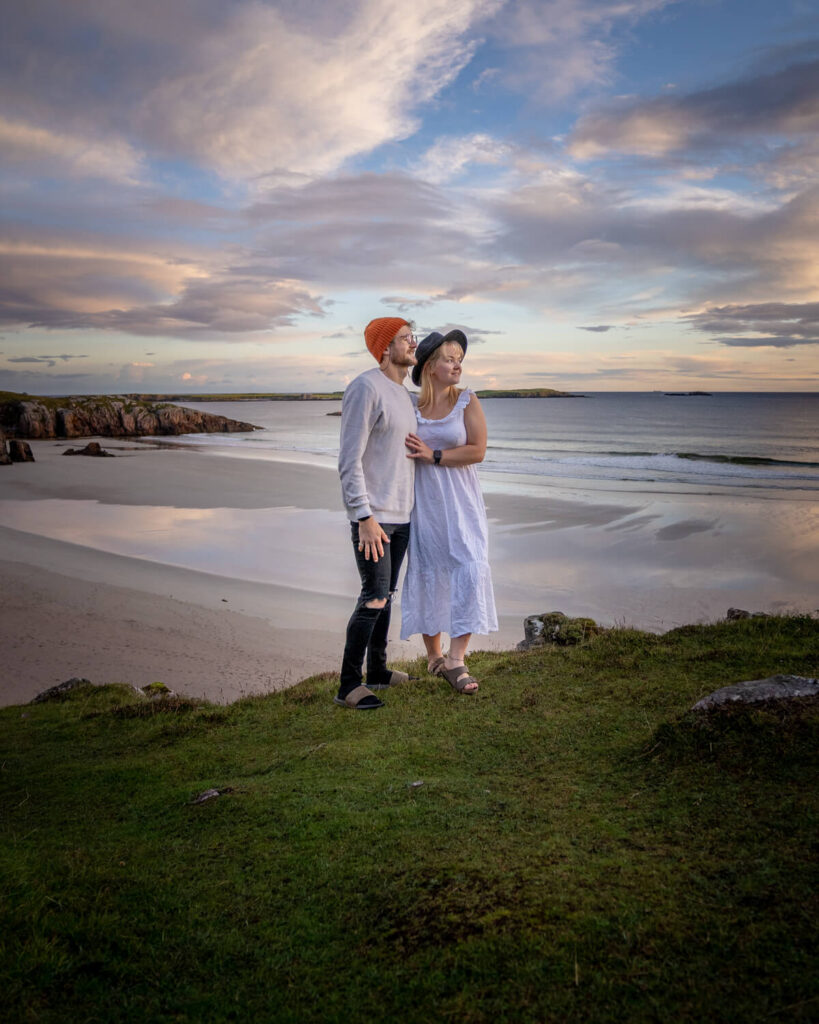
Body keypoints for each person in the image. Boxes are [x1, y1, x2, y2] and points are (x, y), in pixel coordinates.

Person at [401, 329, 497, 693]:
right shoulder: (412, 407)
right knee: (429, 571)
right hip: (424, 502)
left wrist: (434, 455)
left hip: (462, 501)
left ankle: (457, 659)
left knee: (470, 565)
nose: (457, 365)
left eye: (459, 359)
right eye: (449, 359)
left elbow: (477, 451)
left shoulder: (467, 400)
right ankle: (434, 657)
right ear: (429, 367)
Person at [335, 317, 418, 710]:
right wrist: (363, 517)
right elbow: (348, 461)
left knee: (387, 595)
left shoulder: (404, 394)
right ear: (386, 348)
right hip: (375, 518)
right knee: (373, 598)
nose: (413, 343)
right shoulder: (365, 387)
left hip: (402, 515)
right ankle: (348, 685)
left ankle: (378, 672)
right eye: (406, 338)